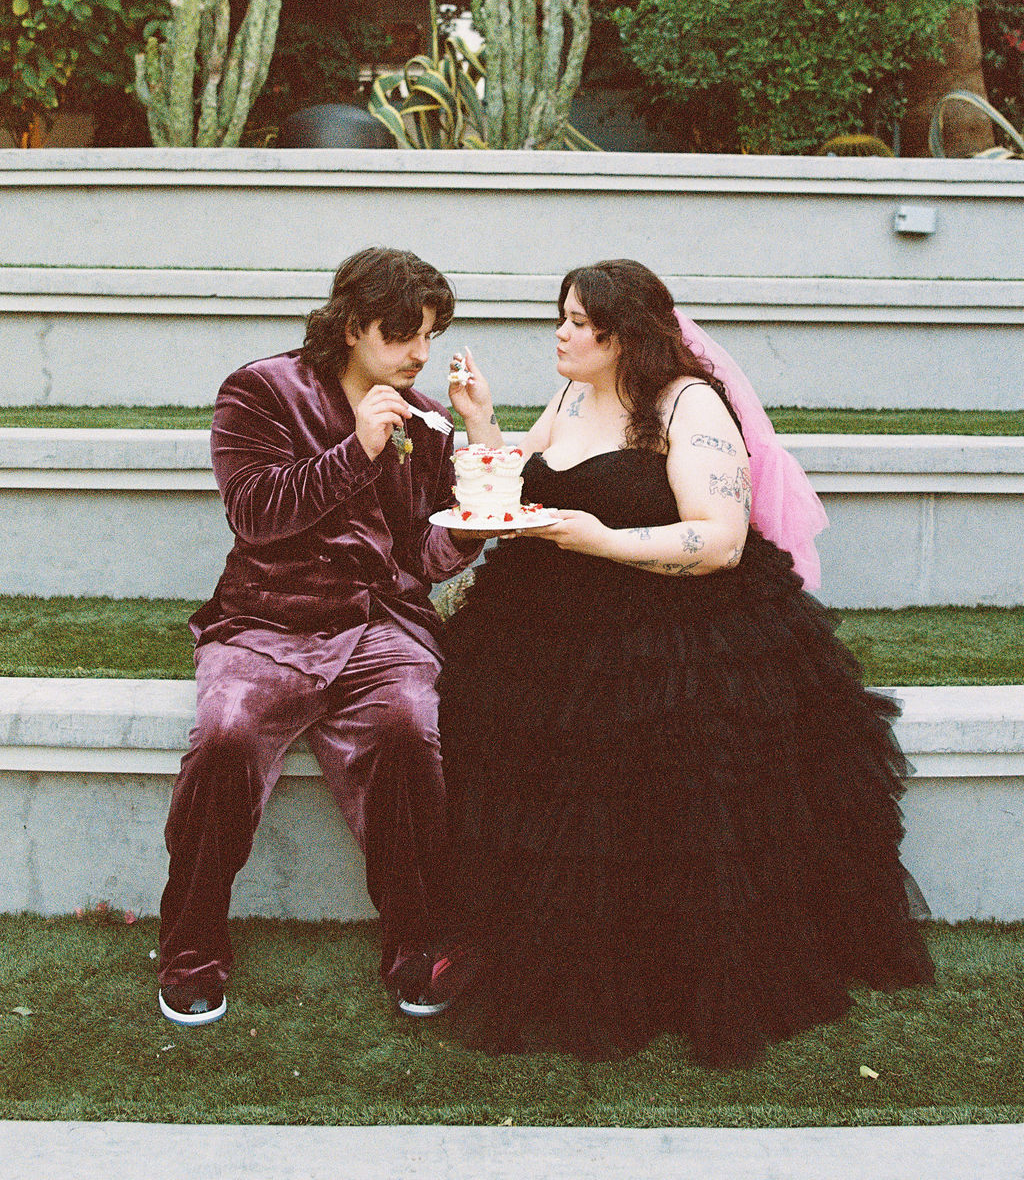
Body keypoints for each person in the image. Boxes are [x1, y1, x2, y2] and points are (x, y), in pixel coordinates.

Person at [436, 258, 934, 1067]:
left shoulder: (689, 406)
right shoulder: (570, 395)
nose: (560, 333)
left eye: (576, 320)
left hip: (674, 635)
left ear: (623, 334)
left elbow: (722, 540)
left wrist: (601, 540)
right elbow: (510, 494)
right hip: (552, 626)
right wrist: (484, 424)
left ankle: (669, 971)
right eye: (560, 316)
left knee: (669, 790)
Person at [157, 247, 483, 1026]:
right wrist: (357, 449)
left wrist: (472, 510)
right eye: (403, 334)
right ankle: (191, 944)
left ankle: (416, 945)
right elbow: (255, 513)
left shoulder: (427, 418)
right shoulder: (260, 391)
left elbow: (423, 557)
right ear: (349, 325)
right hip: (267, 621)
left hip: (379, 625)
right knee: (226, 734)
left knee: (411, 726)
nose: (420, 355)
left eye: (431, 335)